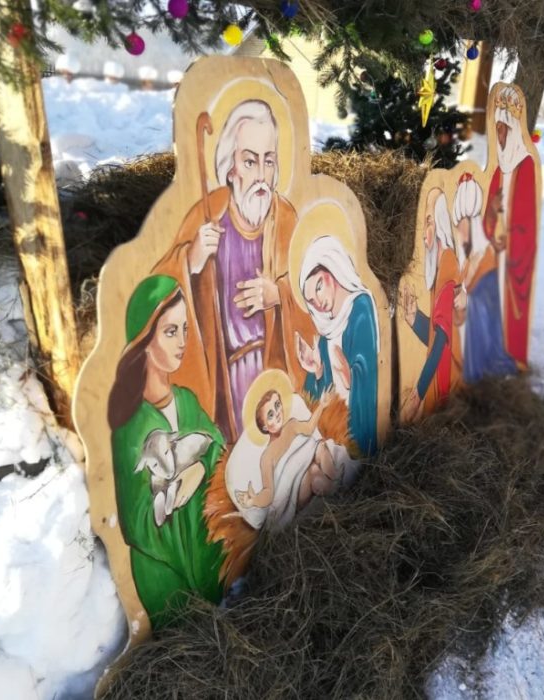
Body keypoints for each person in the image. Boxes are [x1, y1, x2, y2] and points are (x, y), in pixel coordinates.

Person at [153, 99, 315, 442]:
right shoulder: (207, 216)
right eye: (250, 161)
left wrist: (279, 295)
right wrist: (192, 260)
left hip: (275, 372)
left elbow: (313, 295)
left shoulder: (286, 220)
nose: (261, 176)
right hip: (225, 379)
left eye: (268, 161)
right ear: (230, 167)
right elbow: (156, 291)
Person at [107, 274, 226, 629]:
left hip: (205, 555)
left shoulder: (186, 401)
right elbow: (136, 523)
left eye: (185, 330)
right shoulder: (131, 425)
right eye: (171, 331)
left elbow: (219, 448)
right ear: (144, 339)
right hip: (165, 573)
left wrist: (199, 469)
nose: (183, 342)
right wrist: (173, 497)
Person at [294, 236, 380, 454]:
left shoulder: (360, 307)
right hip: (335, 433)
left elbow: (367, 369)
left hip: (356, 427)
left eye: (319, 287)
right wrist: (317, 371)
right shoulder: (325, 336)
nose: (318, 303)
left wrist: (352, 378)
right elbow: (322, 399)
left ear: (331, 270)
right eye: (311, 301)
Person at [483, 84, 537, 368]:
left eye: (502, 129)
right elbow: (487, 212)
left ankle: (509, 355)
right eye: (496, 130)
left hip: (514, 254)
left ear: (513, 129)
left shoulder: (525, 165)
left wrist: (509, 239)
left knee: (506, 304)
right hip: (495, 251)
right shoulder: (497, 165)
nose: (499, 136)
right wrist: (490, 231)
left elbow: (527, 219)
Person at [400, 188, 466, 420]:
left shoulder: (448, 263)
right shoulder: (438, 269)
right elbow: (435, 335)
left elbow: (441, 339)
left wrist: (417, 394)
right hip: (442, 370)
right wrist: (414, 319)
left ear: (438, 223)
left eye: (428, 221)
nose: (423, 231)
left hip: (448, 376)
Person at [234, 387, 341, 527]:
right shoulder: (267, 457)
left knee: (321, 447)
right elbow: (268, 493)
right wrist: (254, 500)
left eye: (277, 405)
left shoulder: (291, 426)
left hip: (309, 467)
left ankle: (336, 487)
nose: (277, 413)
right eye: (270, 415)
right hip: (295, 491)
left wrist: (322, 405)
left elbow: (309, 428)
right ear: (265, 427)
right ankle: (338, 495)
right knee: (312, 473)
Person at [453, 173, 516, 384]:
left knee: (482, 318)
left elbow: (475, 256)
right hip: (474, 284)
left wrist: (466, 295)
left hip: (483, 281)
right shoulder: (463, 231)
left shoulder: (476, 233)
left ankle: (482, 368)